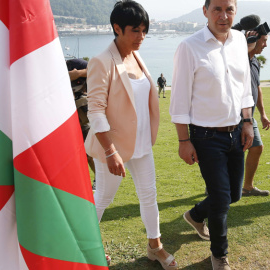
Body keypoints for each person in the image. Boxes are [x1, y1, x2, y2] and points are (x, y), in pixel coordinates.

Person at [85, 1, 177, 269]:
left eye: (144, 30)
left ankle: (154, 247)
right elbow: (96, 111)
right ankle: (84, 245)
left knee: (149, 194)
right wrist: (111, 152)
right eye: (135, 31)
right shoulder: (102, 61)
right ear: (117, 28)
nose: (141, 37)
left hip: (142, 144)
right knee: (102, 197)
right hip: (113, 147)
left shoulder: (136, 56)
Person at [169, 0, 254, 269]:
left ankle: (195, 215)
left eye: (229, 9)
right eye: (217, 9)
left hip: (236, 131)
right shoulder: (189, 47)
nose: (223, 15)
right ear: (205, 11)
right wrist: (184, 141)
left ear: (235, 11)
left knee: (234, 195)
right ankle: (220, 256)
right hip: (205, 136)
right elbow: (179, 100)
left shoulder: (240, 40)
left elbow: (244, 88)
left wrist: (248, 121)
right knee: (220, 200)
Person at [242, 29, 270, 197]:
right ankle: (215, 187)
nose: (265, 45)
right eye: (263, 41)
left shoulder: (255, 62)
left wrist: (263, 114)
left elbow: (257, 88)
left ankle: (247, 187)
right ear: (254, 40)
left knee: (256, 148)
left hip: (250, 115)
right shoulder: (241, 59)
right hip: (236, 116)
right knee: (233, 153)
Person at [66, 58, 97, 190]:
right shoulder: (56, 72)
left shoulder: (76, 66)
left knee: (90, 154)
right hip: (68, 120)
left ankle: (98, 179)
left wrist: (77, 73)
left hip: (84, 119)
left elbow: (96, 71)